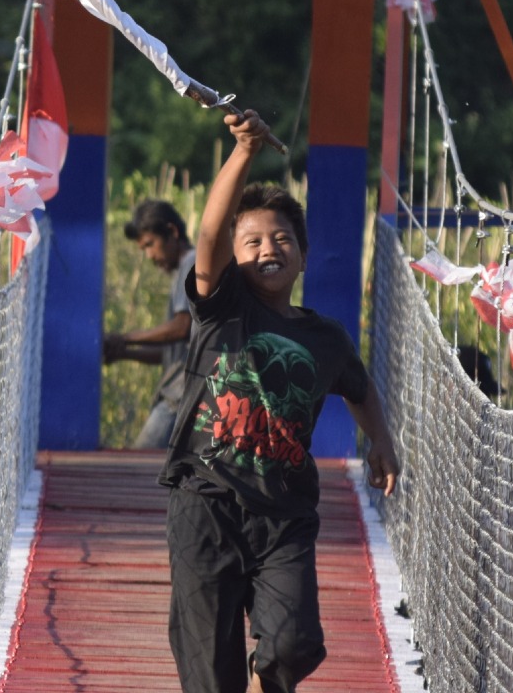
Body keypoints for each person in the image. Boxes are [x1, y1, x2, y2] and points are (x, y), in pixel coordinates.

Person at [160, 108, 400, 693]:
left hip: (284, 513)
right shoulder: (223, 306)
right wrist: (244, 151)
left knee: (290, 644)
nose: (269, 247)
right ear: (234, 258)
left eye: (282, 238)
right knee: (211, 673)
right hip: (206, 501)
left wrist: (382, 442)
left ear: (303, 254)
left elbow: (361, 390)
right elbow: (212, 233)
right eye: (254, 240)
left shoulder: (326, 338)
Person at [104, 200, 196, 449]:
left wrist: (125, 338)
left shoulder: (191, 263)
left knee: (136, 467)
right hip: (178, 394)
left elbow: (181, 328)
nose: (150, 256)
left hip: (180, 397)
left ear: (172, 232)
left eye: (150, 245)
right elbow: (172, 353)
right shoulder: (181, 270)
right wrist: (124, 353)